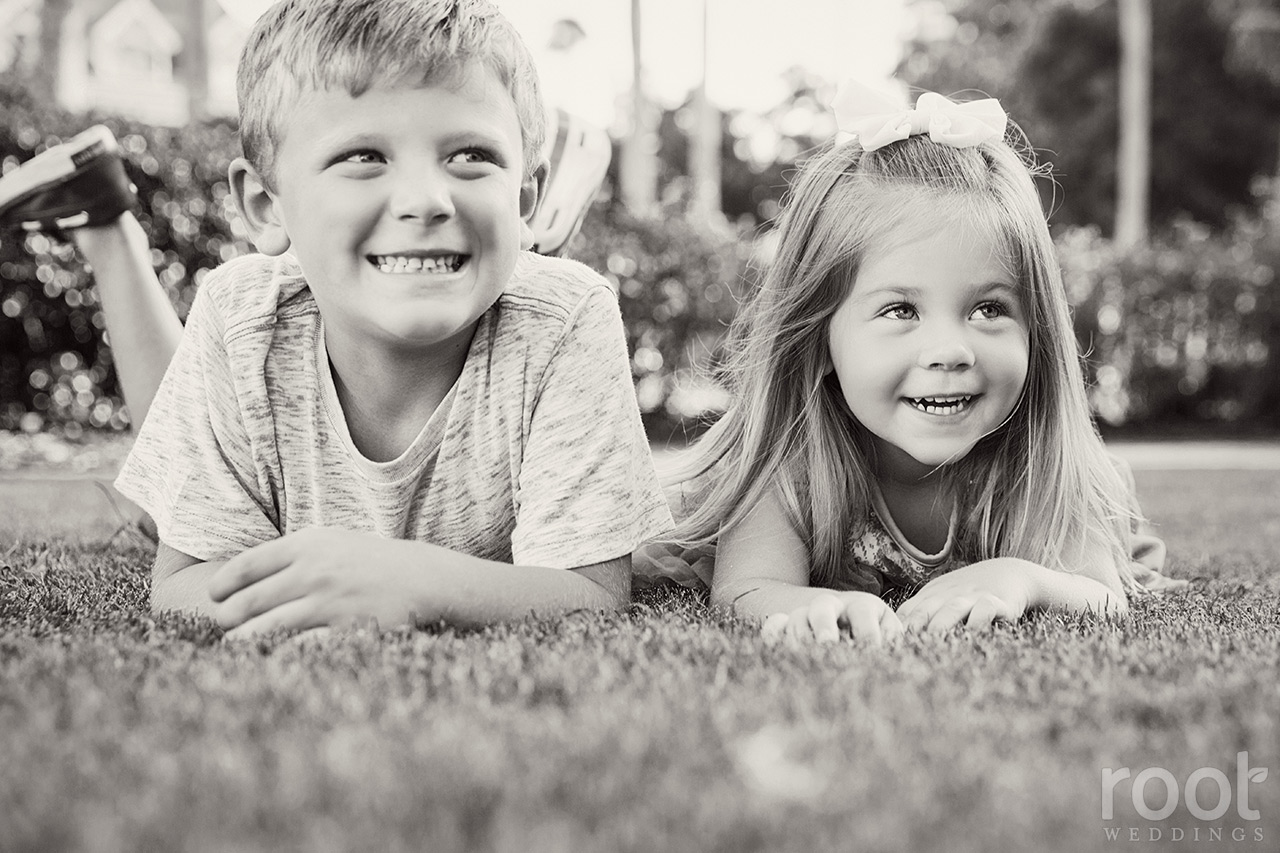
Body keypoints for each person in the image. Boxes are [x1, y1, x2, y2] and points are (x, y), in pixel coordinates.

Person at [1, 0, 671, 636]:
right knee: (170, 498)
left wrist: (406, 580)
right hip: (294, 342)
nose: (424, 198)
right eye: (364, 157)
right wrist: (305, 595)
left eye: (472, 156)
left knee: (517, 292)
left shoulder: (569, 317)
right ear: (265, 206)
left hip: (514, 293)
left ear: (525, 192)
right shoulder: (243, 313)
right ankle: (106, 222)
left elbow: (592, 594)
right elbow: (181, 584)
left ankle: (528, 224)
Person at [637, 81, 1184, 644]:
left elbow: (1100, 596)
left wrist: (1021, 579)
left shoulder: (1047, 461)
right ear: (819, 339)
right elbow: (749, 588)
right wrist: (807, 605)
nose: (950, 350)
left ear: (1035, 331)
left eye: (988, 308)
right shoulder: (792, 463)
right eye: (901, 310)